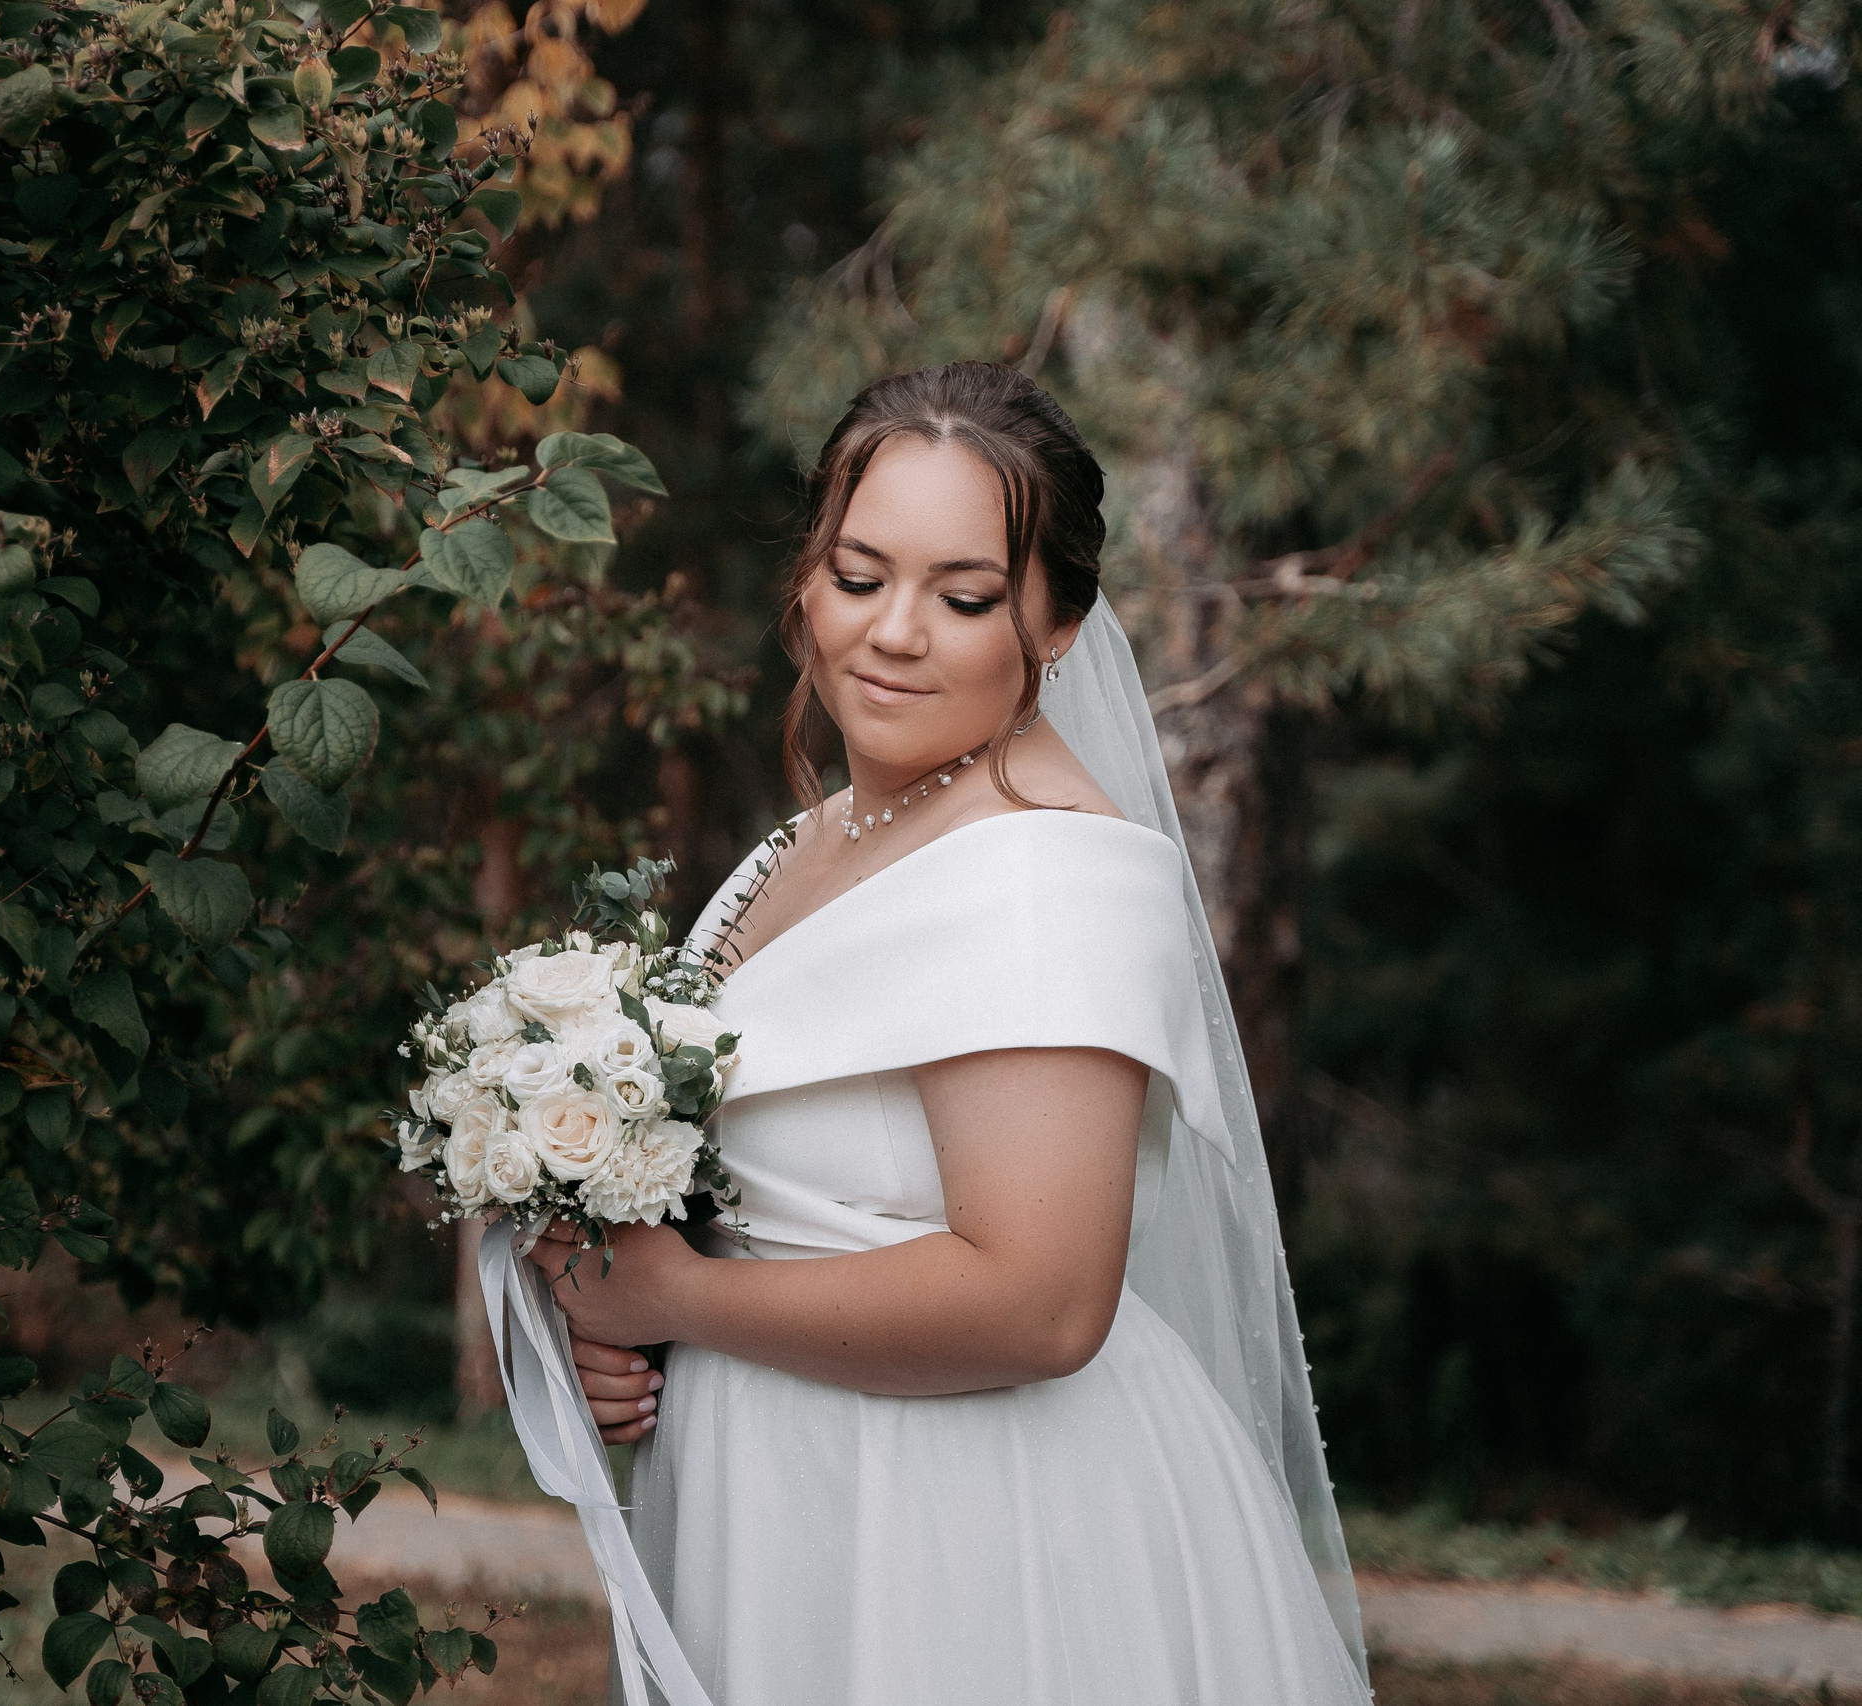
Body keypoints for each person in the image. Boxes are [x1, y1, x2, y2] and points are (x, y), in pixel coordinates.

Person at [523, 362, 1373, 1703]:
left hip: (970, 1527)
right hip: (793, 1493)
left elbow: (1040, 1301)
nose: (895, 631)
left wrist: (680, 1297)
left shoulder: (1048, 876)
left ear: (1061, 624)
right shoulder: (808, 839)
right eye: (860, 576)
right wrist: (626, 1311)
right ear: (806, 580)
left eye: (965, 595)